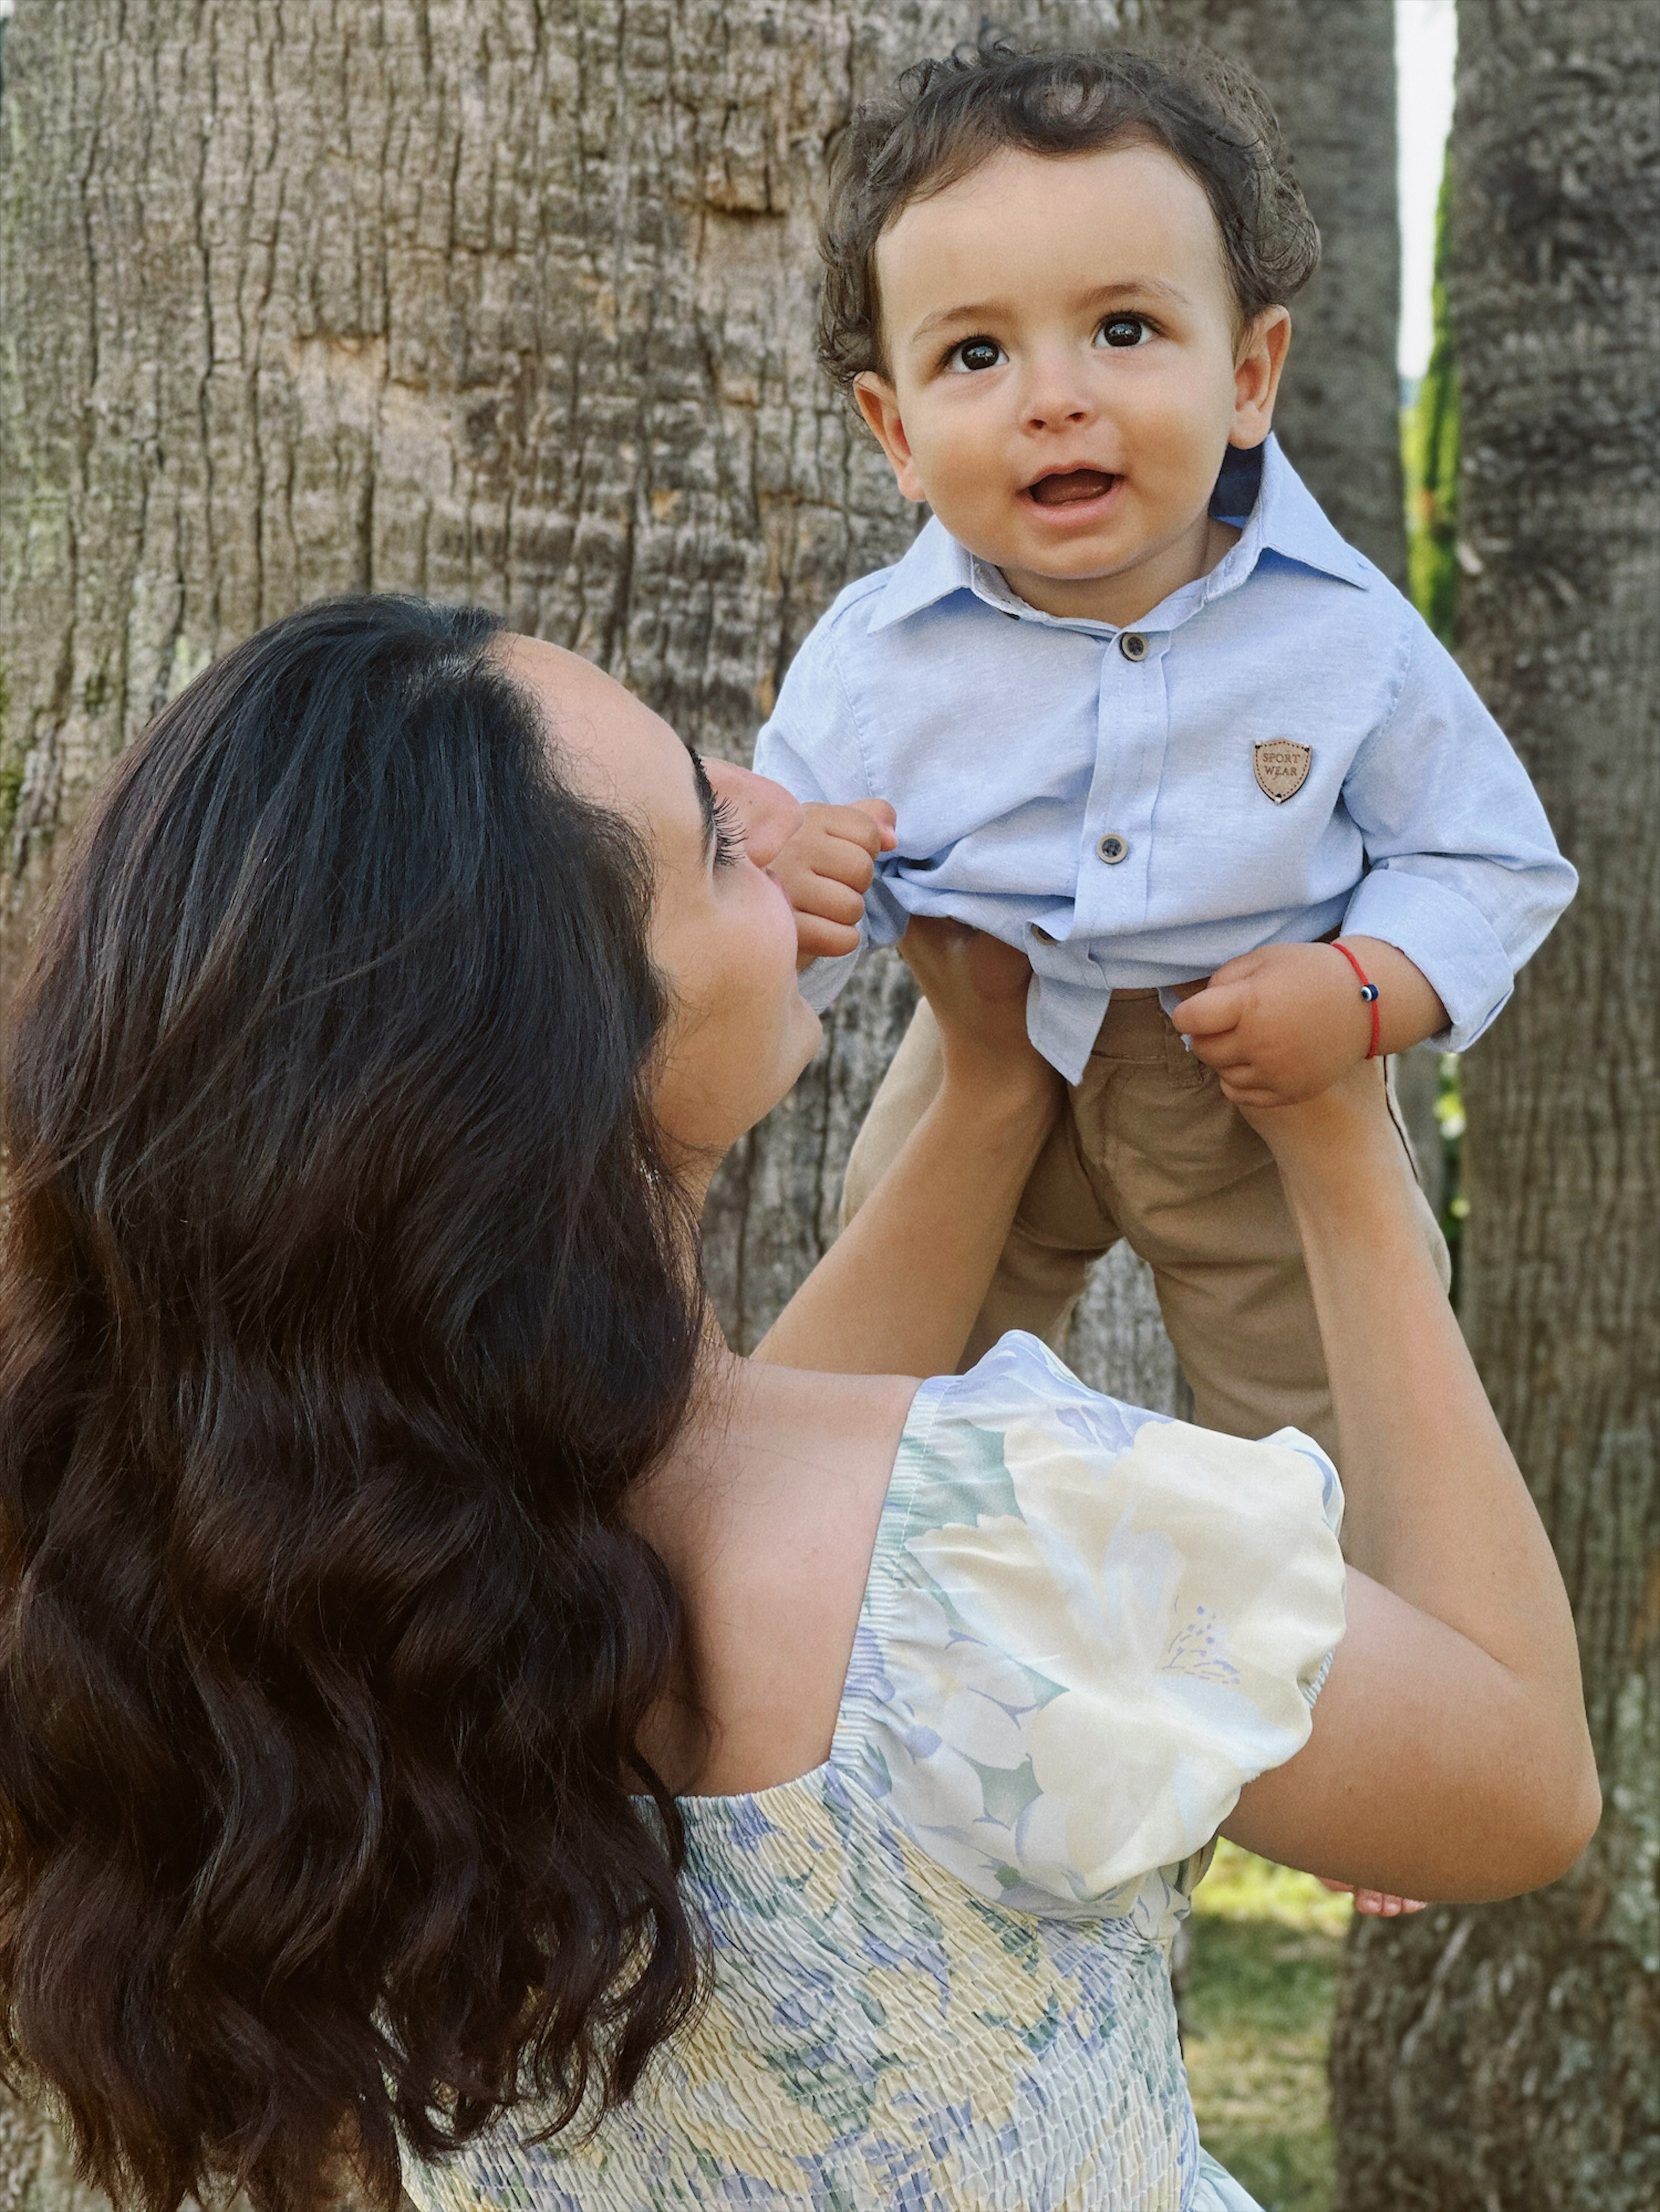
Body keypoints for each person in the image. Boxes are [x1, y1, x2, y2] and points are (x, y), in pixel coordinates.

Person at [0, 596, 1596, 2212]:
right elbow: (1520, 1779)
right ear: (578, 1037)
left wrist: (986, 1093)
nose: (776, 830)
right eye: (713, 843)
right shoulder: (1014, 1533)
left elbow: (758, 1449)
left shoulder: (263, 1616)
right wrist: (1337, 1133)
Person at [755, 41, 1576, 1459]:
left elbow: (1485, 855)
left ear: (1248, 372)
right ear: (893, 427)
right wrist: (800, 874)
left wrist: (1362, 985)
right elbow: (788, 883)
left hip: (1254, 1075)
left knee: (1332, 1417)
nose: (1053, 395)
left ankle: (1347, 1655)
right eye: (974, 352)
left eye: (1122, 329)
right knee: (902, 1399)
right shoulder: (876, 657)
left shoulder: (1343, 637)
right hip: (977, 1049)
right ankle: (918, 1629)